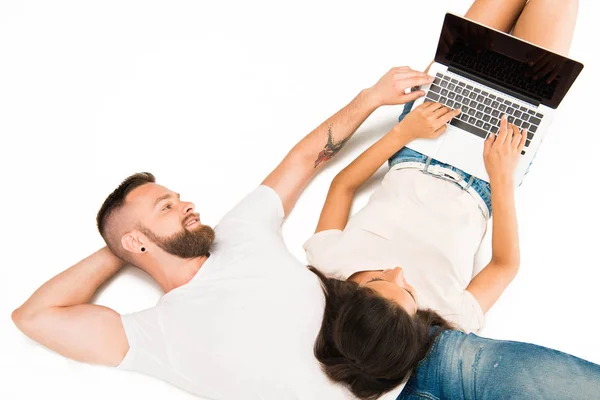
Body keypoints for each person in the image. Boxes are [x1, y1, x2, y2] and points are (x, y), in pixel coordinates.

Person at [11, 66, 435, 399]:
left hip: (428, 355)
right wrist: (119, 247)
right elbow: (33, 317)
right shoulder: (155, 334)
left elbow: (305, 160)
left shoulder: (240, 233)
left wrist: (371, 98)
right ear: (136, 239)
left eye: (177, 198)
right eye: (167, 208)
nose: (186, 205)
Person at [304, 0, 600, 399]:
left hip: (419, 137)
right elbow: (505, 265)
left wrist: (405, 132)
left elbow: (342, 185)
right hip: (487, 171)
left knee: (466, 44)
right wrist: (502, 178)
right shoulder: (451, 315)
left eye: (375, 278)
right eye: (407, 291)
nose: (397, 271)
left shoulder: (329, 261)